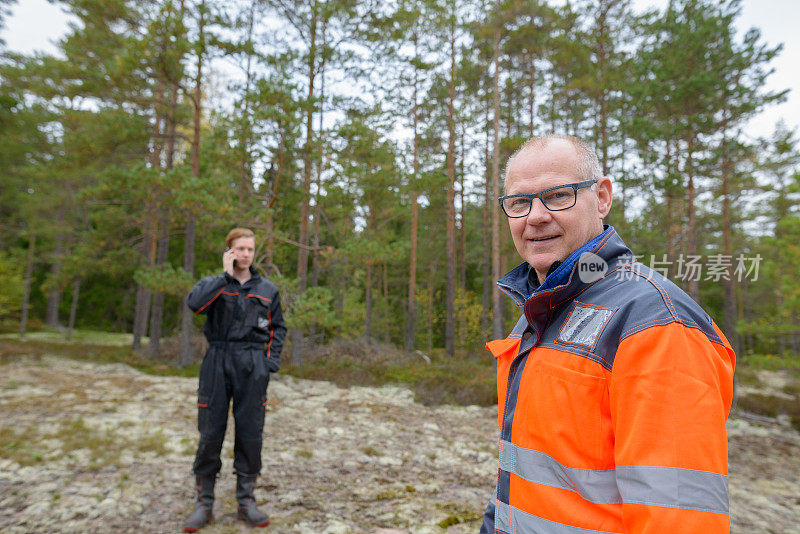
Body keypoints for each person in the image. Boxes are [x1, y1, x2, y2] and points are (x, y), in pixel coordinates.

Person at [480, 136, 735, 533]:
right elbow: (520, 476)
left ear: (601, 198)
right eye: (519, 202)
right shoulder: (541, 308)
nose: (536, 216)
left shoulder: (657, 322)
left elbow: (677, 518)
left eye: (558, 196)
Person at [183, 227, 286, 532]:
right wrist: (224, 277)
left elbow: (278, 328)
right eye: (240, 249)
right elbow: (195, 304)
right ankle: (204, 504)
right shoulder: (215, 285)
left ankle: (246, 501)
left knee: (251, 432)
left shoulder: (267, 289)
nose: (245, 254)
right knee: (210, 432)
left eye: (250, 249)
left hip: (252, 365)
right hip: (218, 360)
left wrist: (269, 363)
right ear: (229, 251)